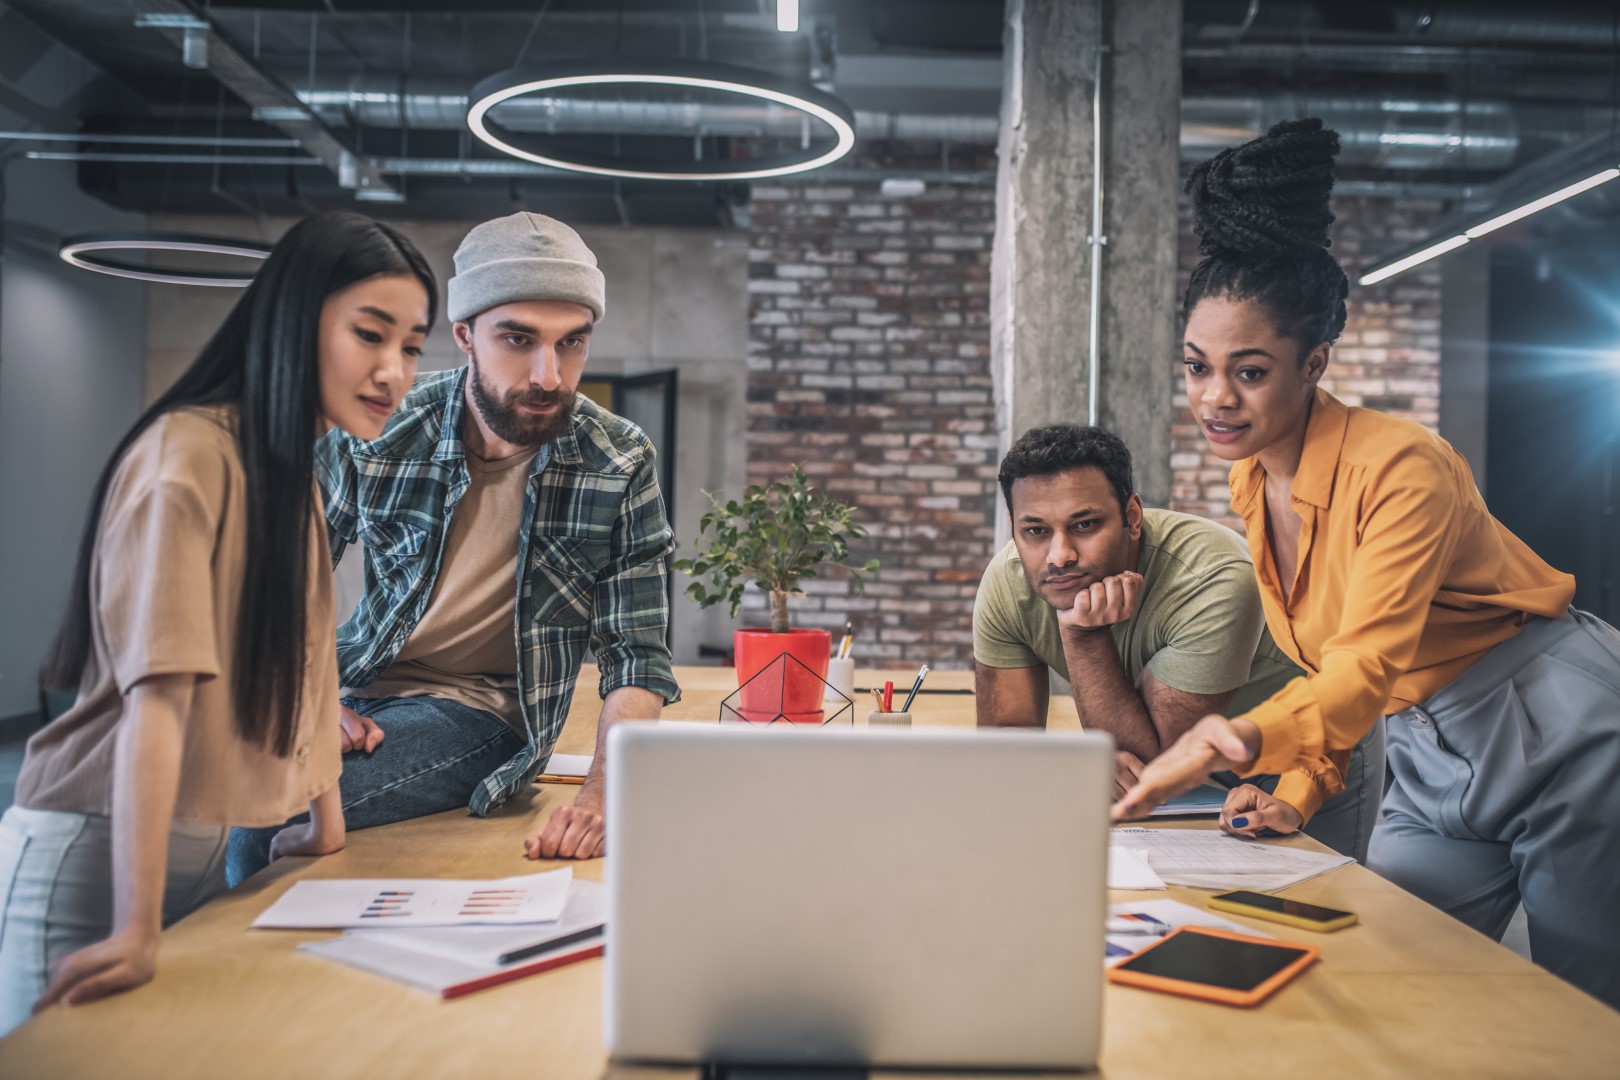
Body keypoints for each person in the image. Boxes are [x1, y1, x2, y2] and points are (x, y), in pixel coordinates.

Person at [1115, 118, 1620, 1009]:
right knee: (1393, 972)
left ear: (1313, 364)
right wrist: (1298, 789)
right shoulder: (1249, 487)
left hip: (1561, 731)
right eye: (1197, 366)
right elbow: (1336, 667)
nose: (1214, 398)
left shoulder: (1402, 465)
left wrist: (1228, 741)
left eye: (1251, 371)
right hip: (1429, 753)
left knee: (1582, 1003)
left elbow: (1367, 661)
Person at [0, 212, 434, 1033]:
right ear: (294, 320)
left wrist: (324, 823)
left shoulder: (287, 470)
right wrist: (133, 929)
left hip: (192, 847)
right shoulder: (189, 454)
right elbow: (157, 706)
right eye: (369, 335)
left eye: (410, 347)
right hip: (91, 854)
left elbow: (310, 667)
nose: (393, 372)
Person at [227, 211, 680, 884]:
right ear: (465, 336)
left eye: (572, 342)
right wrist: (313, 699)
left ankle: (242, 982)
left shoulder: (618, 460)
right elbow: (284, 578)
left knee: (268, 813)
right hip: (352, 684)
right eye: (519, 339)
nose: (549, 375)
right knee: (227, 791)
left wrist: (602, 795)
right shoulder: (383, 424)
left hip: (479, 713)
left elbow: (635, 655)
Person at [975, 424, 1381, 860]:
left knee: (1310, 911)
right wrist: (1072, 763)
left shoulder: (1215, 579)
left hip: (1295, 760)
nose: (1059, 556)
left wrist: (1084, 635)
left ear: (1133, 517)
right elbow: (1006, 747)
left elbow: (1157, 767)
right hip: (1179, 766)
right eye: (1035, 531)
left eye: (1085, 524)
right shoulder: (1008, 583)